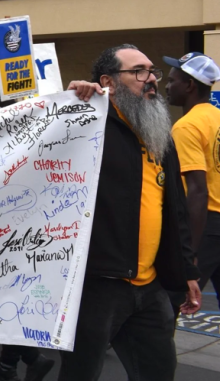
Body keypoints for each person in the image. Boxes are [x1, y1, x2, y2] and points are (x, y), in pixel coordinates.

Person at [64, 44, 201, 381]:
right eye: (138, 71)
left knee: (158, 371)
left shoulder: (159, 134)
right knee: (81, 374)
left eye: (152, 71)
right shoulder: (83, 127)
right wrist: (65, 105)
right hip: (98, 287)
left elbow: (177, 212)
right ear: (108, 81)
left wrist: (187, 271)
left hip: (150, 287)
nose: (151, 79)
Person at [165, 52, 220, 307]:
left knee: (175, 300)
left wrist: (191, 255)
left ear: (189, 85)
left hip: (205, 224)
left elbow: (197, 190)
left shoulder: (186, 126)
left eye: (172, 80)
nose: (166, 85)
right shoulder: (217, 117)